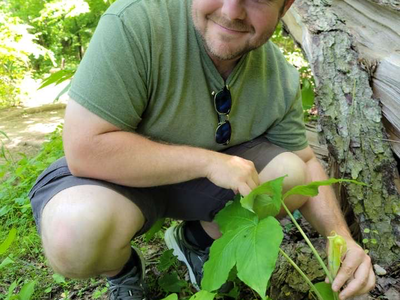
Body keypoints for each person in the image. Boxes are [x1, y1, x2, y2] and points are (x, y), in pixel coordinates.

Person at [28, 0, 376, 299]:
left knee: (291, 172)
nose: (232, 11)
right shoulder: (137, 21)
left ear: (285, 7)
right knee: (73, 233)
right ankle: (120, 270)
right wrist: (207, 162)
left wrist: (341, 241)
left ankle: (196, 242)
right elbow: (85, 148)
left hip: (205, 188)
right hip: (117, 179)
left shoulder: (279, 77)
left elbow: (304, 159)